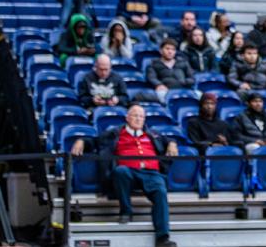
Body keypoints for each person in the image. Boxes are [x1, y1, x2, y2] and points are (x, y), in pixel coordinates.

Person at [70, 105, 179, 247]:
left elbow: (168, 140)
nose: (138, 119)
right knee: (120, 171)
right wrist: (81, 141)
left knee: (161, 191)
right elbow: (95, 141)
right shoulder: (114, 134)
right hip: (129, 173)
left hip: (151, 173)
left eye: (141, 116)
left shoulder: (153, 134)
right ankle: (126, 211)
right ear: (127, 118)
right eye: (135, 115)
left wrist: (172, 143)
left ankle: (162, 238)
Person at [145, 39, 194, 104]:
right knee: (161, 95)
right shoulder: (153, 64)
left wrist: (184, 82)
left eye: (173, 49)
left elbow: (192, 78)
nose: (170, 51)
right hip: (165, 90)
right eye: (167, 49)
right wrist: (158, 84)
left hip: (183, 89)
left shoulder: (183, 62)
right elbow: (151, 77)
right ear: (161, 51)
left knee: (200, 94)